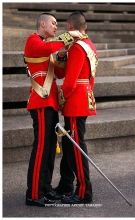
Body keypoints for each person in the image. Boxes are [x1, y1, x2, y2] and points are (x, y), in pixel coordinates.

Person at [24, 12, 83, 207]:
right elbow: (44, 47)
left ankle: (45, 188)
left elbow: (58, 72)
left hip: (50, 102)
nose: (56, 27)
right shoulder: (33, 40)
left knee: (49, 149)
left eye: (58, 24)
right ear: (42, 23)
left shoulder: (48, 48)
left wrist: (61, 55)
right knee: (41, 149)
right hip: (40, 101)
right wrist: (69, 36)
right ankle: (33, 194)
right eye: (53, 23)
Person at [55, 11, 98, 204]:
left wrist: (60, 99)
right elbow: (91, 78)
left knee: (76, 147)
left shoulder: (78, 47)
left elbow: (69, 82)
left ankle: (83, 192)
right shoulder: (90, 46)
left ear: (69, 27)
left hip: (75, 101)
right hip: (85, 96)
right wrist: (63, 55)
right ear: (84, 27)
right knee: (69, 144)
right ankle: (66, 184)